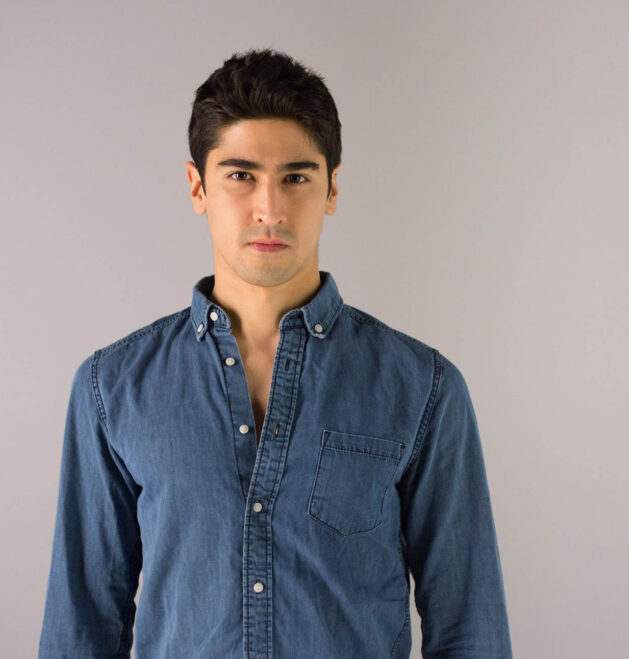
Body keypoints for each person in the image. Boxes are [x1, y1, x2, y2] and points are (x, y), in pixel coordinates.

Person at [38, 47, 512, 659]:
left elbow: (469, 626)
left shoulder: (422, 388)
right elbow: (81, 629)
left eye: (296, 177)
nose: (270, 208)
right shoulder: (113, 389)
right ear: (197, 187)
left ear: (332, 187)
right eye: (241, 175)